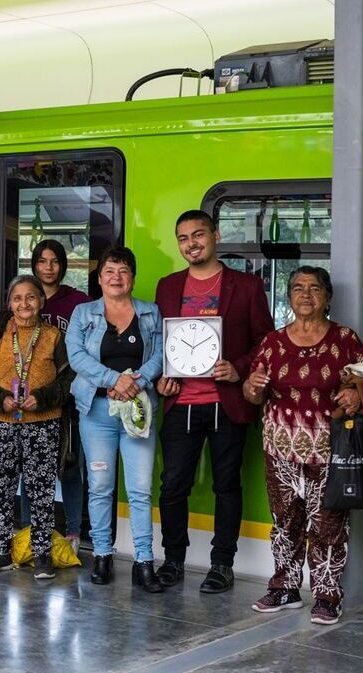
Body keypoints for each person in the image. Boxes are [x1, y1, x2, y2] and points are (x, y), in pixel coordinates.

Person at [153, 210, 272, 593]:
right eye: (183, 238)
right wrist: (160, 379)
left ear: (216, 236)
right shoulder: (168, 286)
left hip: (227, 402)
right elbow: (160, 342)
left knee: (227, 485)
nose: (191, 243)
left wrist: (239, 369)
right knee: (172, 486)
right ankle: (173, 560)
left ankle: (222, 564)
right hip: (180, 402)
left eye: (198, 234)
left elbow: (265, 342)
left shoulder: (246, 286)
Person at [244, 266, 363, 625]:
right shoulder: (272, 342)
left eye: (314, 288)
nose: (306, 294)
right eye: (298, 288)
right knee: (284, 522)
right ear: (289, 297)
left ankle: (327, 595)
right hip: (280, 449)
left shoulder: (345, 339)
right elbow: (254, 393)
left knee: (328, 524)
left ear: (327, 297)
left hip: (329, 450)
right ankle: (284, 587)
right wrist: (251, 387)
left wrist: (355, 394)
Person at [65, 246, 165, 592]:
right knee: (100, 486)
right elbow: (76, 355)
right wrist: (113, 380)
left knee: (140, 489)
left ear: (132, 278)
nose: (116, 277)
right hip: (97, 412)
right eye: (109, 271)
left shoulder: (151, 313)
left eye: (123, 271)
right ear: (99, 278)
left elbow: (160, 355)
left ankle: (144, 562)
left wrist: (136, 381)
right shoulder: (83, 313)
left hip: (138, 412)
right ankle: (103, 556)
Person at [0, 275, 72, 579]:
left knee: (41, 491)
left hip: (43, 424)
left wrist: (42, 398)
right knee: (0, 489)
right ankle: (0, 551)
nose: (24, 303)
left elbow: (68, 379)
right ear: (9, 303)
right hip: (0, 424)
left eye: (31, 297)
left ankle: (42, 554)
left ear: (41, 301)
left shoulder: (54, 335)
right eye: (17, 298)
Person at [26, 238, 91, 550]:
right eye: (42, 261)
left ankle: (73, 533)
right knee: (31, 468)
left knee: (69, 465)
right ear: (34, 265)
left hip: (68, 397)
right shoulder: (26, 297)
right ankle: (29, 532)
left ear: (63, 265)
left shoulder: (78, 301)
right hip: (32, 398)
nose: (48, 268)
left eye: (54, 261)